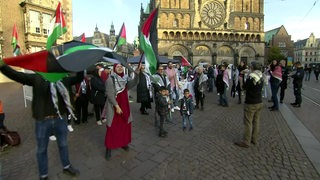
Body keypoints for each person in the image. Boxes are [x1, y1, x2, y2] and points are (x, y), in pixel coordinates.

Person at [0, 59, 81, 179]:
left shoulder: (63, 79)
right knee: (42, 149)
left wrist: (82, 64)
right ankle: (43, 175)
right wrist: (2, 66)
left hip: (60, 120)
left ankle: (66, 166)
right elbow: (16, 75)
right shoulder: (36, 78)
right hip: (43, 121)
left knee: (63, 144)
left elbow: (78, 78)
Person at [103, 63, 139, 160]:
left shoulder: (125, 78)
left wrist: (137, 74)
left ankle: (123, 143)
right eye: (117, 67)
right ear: (114, 69)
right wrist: (117, 106)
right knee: (112, 128)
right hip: (115, 108)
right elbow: (109, 94)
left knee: (125, 127)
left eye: (120, 67)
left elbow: (133, 83)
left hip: (125, 106)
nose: (119, 68)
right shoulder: (110, 79)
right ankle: (108, 148)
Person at [234, 61, 264, 148]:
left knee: (248, 122)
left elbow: (244, 88)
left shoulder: (251, 77)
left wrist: (241, 81)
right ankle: (254, 139)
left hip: (251, 102)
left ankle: (246, 141)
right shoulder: (260, 75)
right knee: (256, 121)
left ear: (252, 67)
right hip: (259, 101)